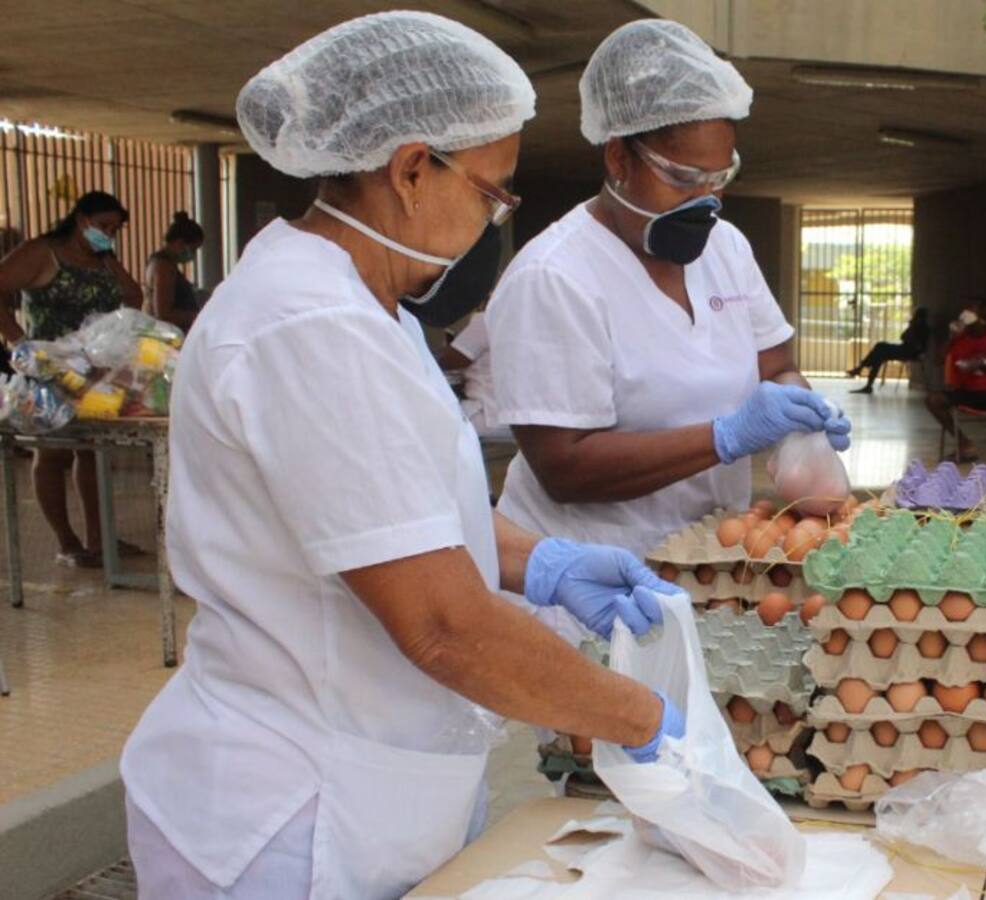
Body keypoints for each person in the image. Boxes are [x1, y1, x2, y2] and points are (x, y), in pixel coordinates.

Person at [120, 14, 685, 899]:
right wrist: (642, 719)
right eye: (494, 193)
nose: (495, 218)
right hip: (290, 811)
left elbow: (394, 511)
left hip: (375, 784)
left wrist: (541, 562)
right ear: (413, 168)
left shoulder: (366, 305)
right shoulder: (310, 327)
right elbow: (441, 623)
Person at [487, 20, 850, 640]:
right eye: (683, 179)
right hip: (596, 585)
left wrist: (799, 425)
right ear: (618, 156)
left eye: (719, 179)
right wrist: (727, 436)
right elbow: (564, 468)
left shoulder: (726, 248)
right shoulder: (555, 277)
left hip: (708, 567)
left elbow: (775, 363)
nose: (704, 200)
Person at [0, 191, 143, 566]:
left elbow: (132, 295)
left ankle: (100, 539)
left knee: (93, 452)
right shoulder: (42, 252)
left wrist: (108, 256)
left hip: (93, 371)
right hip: (49, 367)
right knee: (52, 453)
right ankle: (67, 542)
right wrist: (18, 339)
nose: (109, 233)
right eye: (103, 226)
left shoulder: (101, 259)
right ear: (80, 219)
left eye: (115, 229)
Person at [925, 298, 986, 469]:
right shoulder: (961, 338)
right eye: (965, 308)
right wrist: (951, 338)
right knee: (933, 400)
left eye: (972, 309)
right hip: (969, 389)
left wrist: (983, 365)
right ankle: (964, 444)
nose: (966, 312)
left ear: (984, 313)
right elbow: (938, 360)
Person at [437, 312, 509, 441]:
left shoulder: (490, 318)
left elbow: (451, 360)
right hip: (521, 420)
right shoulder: (534, 323)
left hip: (486, 415)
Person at [847, 306, 930, 394]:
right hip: (903, 349)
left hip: (908, 353)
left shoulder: (924, 329)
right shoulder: (914, 327)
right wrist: (911, 328)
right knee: (878, 355)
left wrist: (912, 330)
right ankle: (865, 380)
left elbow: (918, 345)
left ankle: (861, 371)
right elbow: (902, 337)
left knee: (880, 348)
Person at [145, 210, 204, 331]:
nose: (193, 255)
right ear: (180, 243)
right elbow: (163, 313)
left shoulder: (167, 265)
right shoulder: (162, 266)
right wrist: (200, 316)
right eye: (193, 249)